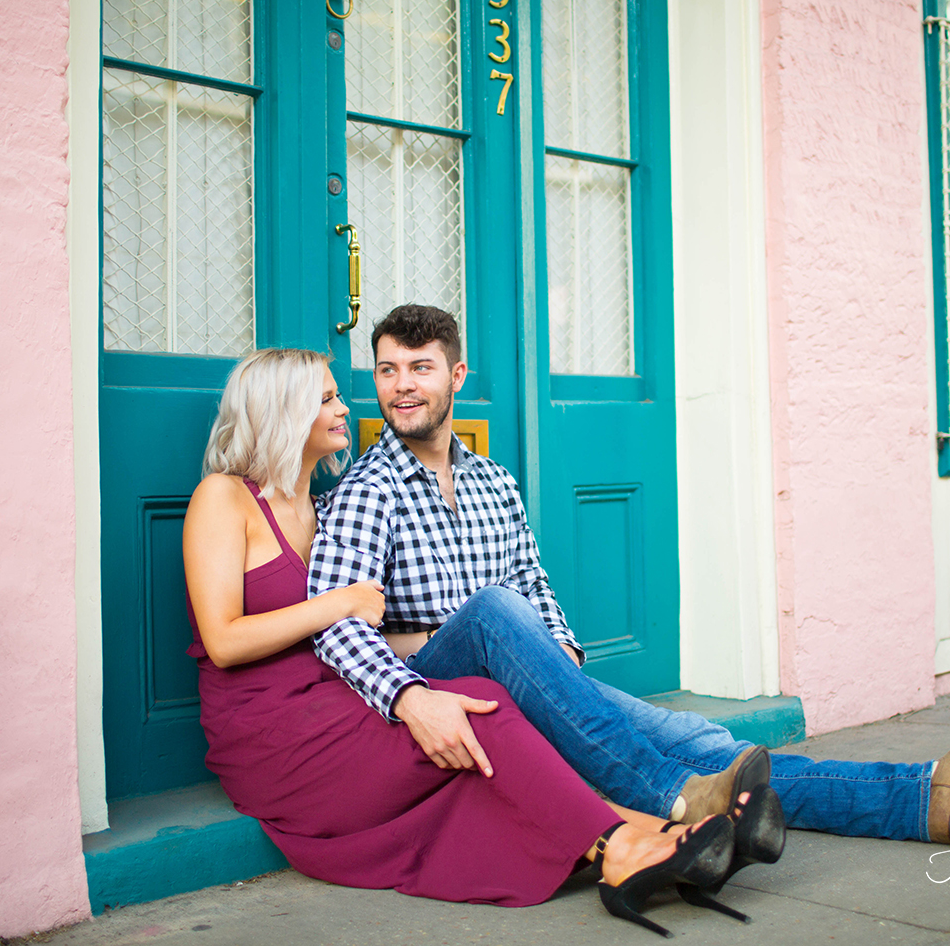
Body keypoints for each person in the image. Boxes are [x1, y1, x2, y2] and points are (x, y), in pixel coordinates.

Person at [308, 304, 950, 849]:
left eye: (419, 368)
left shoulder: (492, 479)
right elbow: (335, 624)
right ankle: (675, 797)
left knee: (708, 746)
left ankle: (925, 799)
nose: (401, 387)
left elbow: (533, 578)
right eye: (387, 370)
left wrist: (563, 660)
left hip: (523, 675)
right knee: (496, 612)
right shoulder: (369, 490)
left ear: (456, 378)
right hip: (447, 685)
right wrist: (407, 699)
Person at [181, 347, 775, 936]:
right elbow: (224, 640)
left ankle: (655, 836)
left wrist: (457, 644)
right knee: (482, 712)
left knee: (479, 701)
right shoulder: (224, 498)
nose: (344, 407)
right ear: (284, 412)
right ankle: (632, 841)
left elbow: (368, 637)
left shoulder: (320, 506)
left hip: (337, 701)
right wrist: (338, 604)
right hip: (272, 734)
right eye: (328, 398)